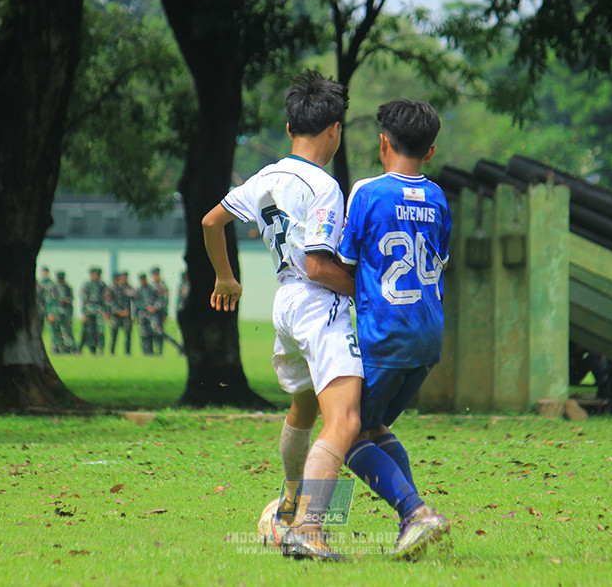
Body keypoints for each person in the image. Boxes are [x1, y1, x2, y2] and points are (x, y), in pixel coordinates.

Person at [202, 70, 362, 561]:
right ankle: (311, 530)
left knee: (304, 408)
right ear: (334, 130)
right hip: (317, 305)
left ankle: (291, 504)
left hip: (284, 304)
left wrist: (225, 277)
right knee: (345, 419)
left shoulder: (265, 177)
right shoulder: (327, 187)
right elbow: (318, 265)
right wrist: (369, 289)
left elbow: (212, 221)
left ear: (291, 128)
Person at [335, 99, 452, 559]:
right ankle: (416, 520)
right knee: (375, 425)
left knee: (345, 435)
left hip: (385, 334)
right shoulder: (440, 197)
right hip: (428, 335)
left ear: (383, 142)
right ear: (431, 151)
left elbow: (346, 260)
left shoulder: (367, 192)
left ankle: (415, 512)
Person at [80, 267, 107, 354]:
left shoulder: (102, 285)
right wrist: (84, 313)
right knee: (89, 330)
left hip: (99, 309)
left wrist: (106, 312)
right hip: (89, 309)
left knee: (100, 330)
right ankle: (92, 348)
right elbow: (84, 300)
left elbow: (106, 299)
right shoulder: (87, 285)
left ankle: (101, 348)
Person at [50, 271, 76, 354]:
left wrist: (66, 301)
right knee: (56, 331)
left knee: (67, 331)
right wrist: (50, 313)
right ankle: (55, 348)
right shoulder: (53, 287)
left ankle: (67, 348)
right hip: (55, 312)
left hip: (66, 312)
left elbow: (71, 299)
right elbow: (49, 301)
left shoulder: (68, 287)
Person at [108, 271, 133, 355]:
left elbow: (132, 301)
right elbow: (110, 302)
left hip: (126, 316)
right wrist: (118, 311)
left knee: (128, 335)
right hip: (116, 315)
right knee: (114, 334)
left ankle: (127, 352)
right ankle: (112, 351)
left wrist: (129, 312)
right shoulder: (112, 289)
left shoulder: (128, 289)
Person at [146, 267, 170, 354]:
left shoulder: (163, 285)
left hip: (160, 313)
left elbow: (164, 300)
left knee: (158, 331)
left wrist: (155, 308)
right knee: (152, 331)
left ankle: (159, 350)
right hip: (152, 313)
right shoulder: (151, 285)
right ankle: (151, 351)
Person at [37, 266, 55, 335]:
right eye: (43, 272)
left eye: (46, 272)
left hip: (49, 307)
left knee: (52, 326)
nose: (45, 274)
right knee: (40, 326)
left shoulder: (51, 283)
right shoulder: (39, 283)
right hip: (40, 307)